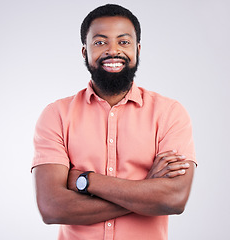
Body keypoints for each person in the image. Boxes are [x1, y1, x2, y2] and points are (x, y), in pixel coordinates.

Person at [32, 4, 196, 240]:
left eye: (124, 42)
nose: (113, 50)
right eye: (100, 42)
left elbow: (174, 199)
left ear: (137, 49)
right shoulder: (56, 114)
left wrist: (85, 181)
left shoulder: (170, 113)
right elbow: (51, 207)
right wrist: (146, 192)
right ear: (84, 52)